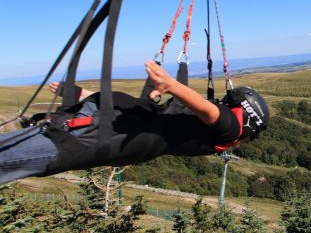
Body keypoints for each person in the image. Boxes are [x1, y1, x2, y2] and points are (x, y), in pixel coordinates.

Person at [0, 60, 269, 185]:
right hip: (93, 127)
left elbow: (210, 112)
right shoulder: (188, 129)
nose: (222, 103)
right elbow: (132, 109)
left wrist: (173, 86)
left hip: (86, 137)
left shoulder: (227, 131)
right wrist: (80, 94)